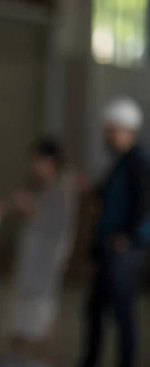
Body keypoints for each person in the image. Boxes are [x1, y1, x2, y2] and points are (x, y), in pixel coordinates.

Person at [79, 97, 150, 367]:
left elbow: (144, 204)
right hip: (110, 248)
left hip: (124, 251)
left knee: (122, 312)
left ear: (125, 129)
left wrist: (129, 236)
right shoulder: (121, 163)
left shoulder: (138, 164)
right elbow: (105, 196)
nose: (107, 136)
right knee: (95, 309)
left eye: (111, 130)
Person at [5, 138, 78, 367]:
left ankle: (39, 360)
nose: (35, 166)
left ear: (50, 161)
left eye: (39, 161)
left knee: (40, 316)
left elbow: (54, 224)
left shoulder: (63, 188)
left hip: (46, 262)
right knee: (22, 316)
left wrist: (29, 207)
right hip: (32, 261)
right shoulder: (44, 185)